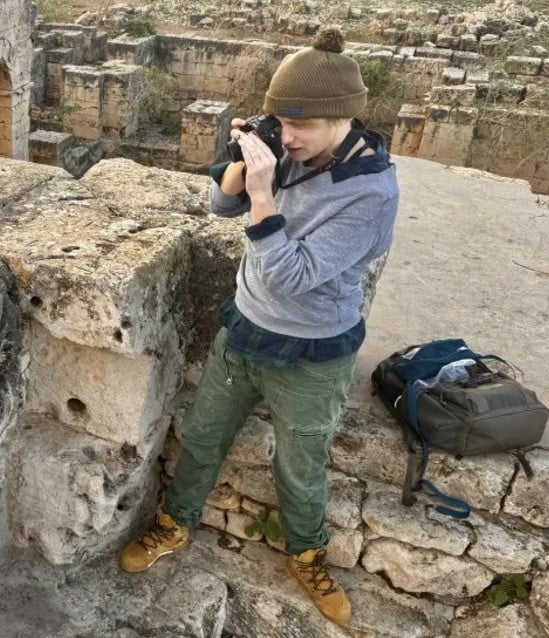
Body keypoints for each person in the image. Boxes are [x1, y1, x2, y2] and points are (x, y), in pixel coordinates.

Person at [118, 28, 399, 628]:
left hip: (313, 351)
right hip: (244, 329)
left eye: (302, 126)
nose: (289, 136)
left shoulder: (370, 192)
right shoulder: (287, 150)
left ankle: (305, 553)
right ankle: (175, 522)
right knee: (201, 437)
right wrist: (242, 166)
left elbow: (294, 275)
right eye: (280, 122)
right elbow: (223, 209)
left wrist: (267, 192)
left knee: (300, 463)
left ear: (341, 118)